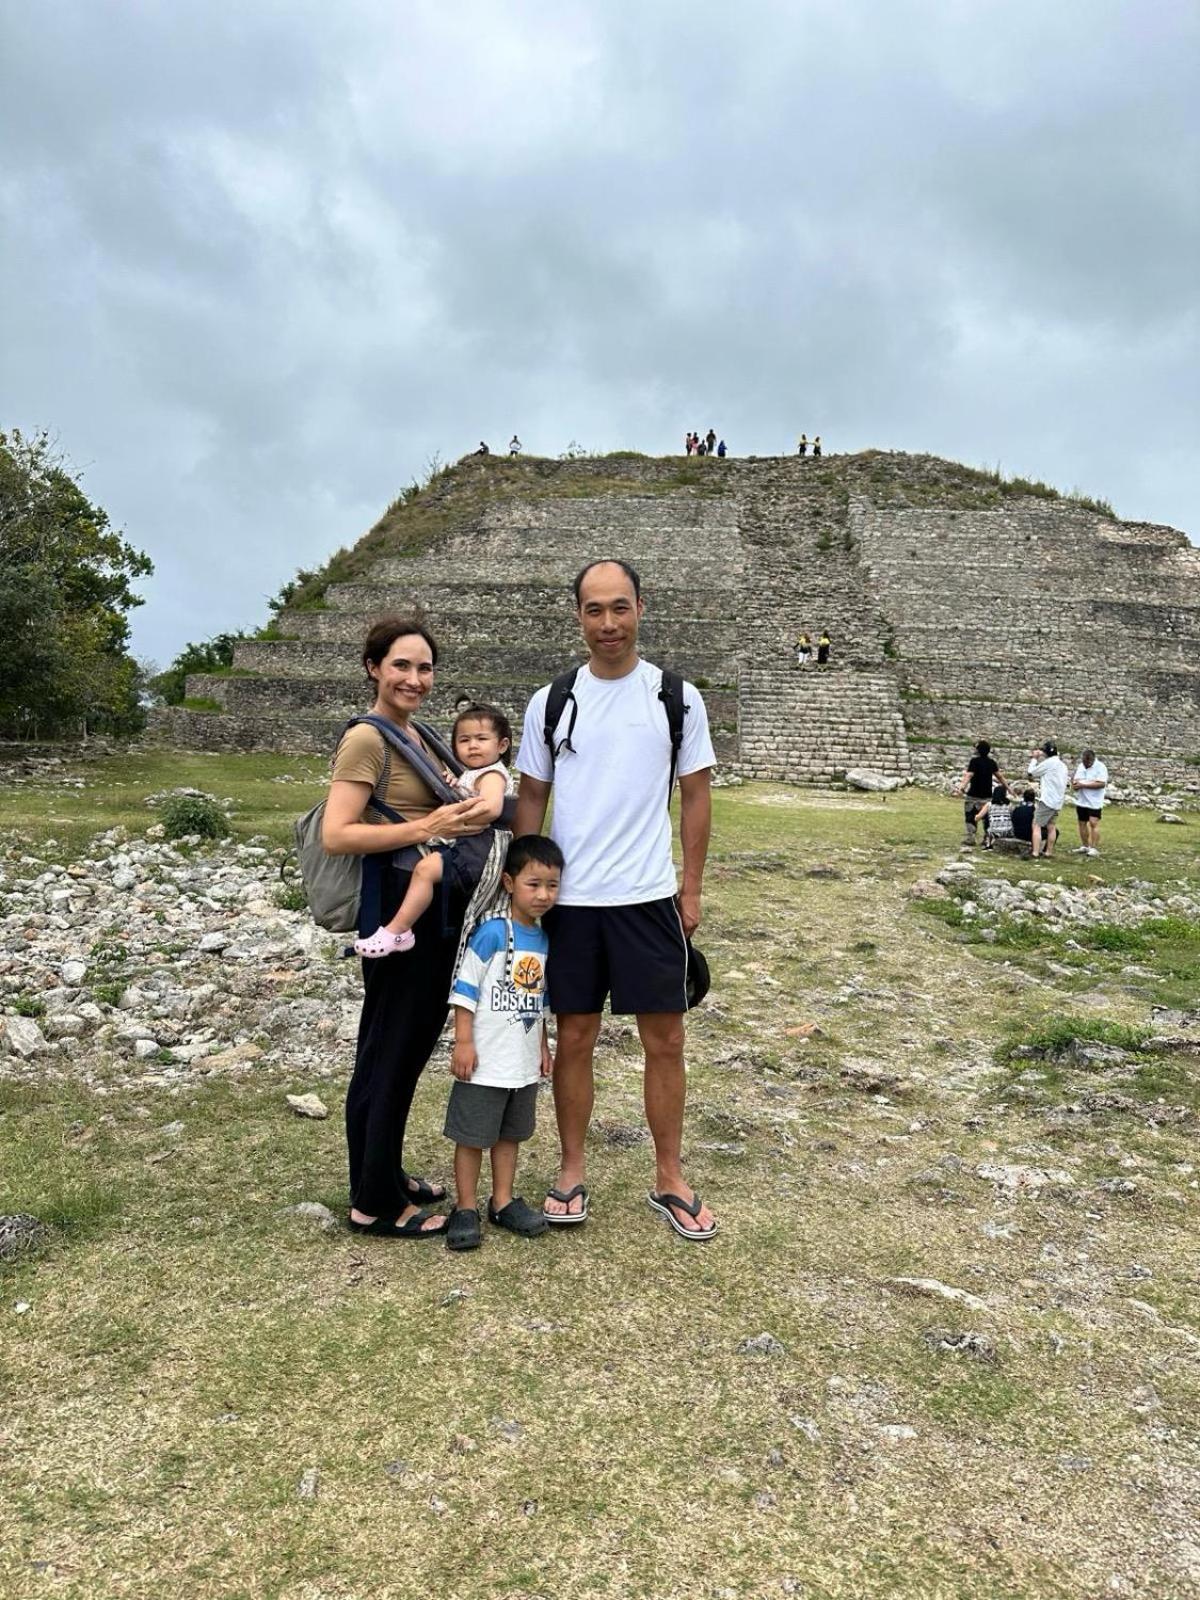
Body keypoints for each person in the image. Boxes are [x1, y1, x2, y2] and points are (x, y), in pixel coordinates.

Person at [513, 559, 718, 1240]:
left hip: (647, 897)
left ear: (641, 608)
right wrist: (521, 884)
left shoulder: (676, 697)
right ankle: (571, 1169)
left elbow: (695, 794)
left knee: (666, 1039)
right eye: (594, 610)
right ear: (577, 615)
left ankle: (669, 1174)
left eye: (620, 608)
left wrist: (689, 886)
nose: (608, 623)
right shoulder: (550, 700)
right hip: (570, 901)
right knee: (574, 1038)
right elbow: (533, 797)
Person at [321, 618, 496, 1238]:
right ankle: (374, 1203)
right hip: (400, 905)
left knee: (394, 1046)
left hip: (431, 906)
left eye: (424, 669)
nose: (414, 679)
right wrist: (428, 828)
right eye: (401, 666)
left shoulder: (415, 733)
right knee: (394, 1049)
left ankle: (382, 1173)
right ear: (373, 667)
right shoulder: (368, 740)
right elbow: (337, 832)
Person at [443, 835, 564, 1252]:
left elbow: (540, 1000)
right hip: (484, 1061)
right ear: (510, 883)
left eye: (552, 885)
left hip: (522, 1063)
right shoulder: (491, 934)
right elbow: (465, 990)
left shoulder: (546, 941)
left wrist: (544, 1047)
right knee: (472, 1136)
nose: (544, 894)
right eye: (534, 884)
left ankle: (503, 1199)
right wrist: (463, 1041)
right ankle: (464, 1207)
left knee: (510, 1135)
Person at [353, 702, 512, 958]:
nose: (472, 745)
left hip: (479, 846)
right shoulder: (472, 773)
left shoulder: (493, 775)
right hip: (472, 844)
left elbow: (491, 808)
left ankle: (399, 929)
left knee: (425, 870)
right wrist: (456, 785)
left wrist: (453, 817)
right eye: (464, 740)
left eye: (481, 739)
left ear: (501, 745)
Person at [954, 739, 1004, 847]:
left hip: (973, 794)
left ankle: (971, 837)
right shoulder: (992, 762)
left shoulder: (974, 761)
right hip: (987, 795)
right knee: (987, 818)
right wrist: (1008, 788)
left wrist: (961, 788)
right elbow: (1000, 777)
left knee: (970, 816)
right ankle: (986, 838)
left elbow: (969, 775)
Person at [1027, 740, 1069, 859]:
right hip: (1058, 800)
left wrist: (1035, 758)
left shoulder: (1049, 763)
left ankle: (1035, 852)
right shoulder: (1062, 765)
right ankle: (1049, 852)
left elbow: (1031, 772)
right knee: (1051, 826)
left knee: (1036, 825)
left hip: (1047, 799)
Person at [1071, 748, 1109, 857]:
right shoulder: (1081, 766)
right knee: (1082, 823)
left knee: (1093, 823)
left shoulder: (1100, 767)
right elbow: (1076, 779)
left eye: (1088, 762)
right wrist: (1075, 785)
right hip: (1082, 800)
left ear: (1092, 760)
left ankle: (1094, 848)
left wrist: (1084, 785)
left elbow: (1101, 783)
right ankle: (1085, 846)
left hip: (1094, 801)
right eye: (1084, 762)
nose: (1086, 764)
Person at [982, 783, 1013, 850]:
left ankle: (988, 842)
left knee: (986, 819)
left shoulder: (989, 804)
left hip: (994, 831)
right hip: (1007, 831)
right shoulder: (1009, 804)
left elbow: (978, 817)